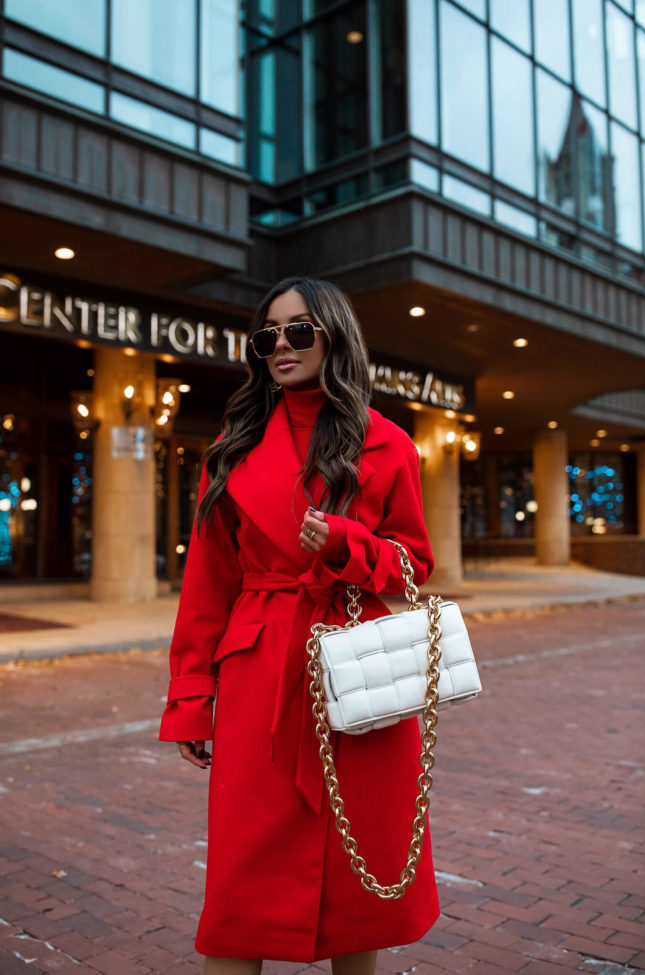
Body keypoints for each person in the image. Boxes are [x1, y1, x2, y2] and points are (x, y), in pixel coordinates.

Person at [159, 276, 440, 974]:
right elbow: (206, 587)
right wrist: (191, 697)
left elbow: (414, 563)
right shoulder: (232, 446)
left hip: (358, 671)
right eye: (268, 336)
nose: (281, 346)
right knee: (239, 885)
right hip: (260, 675)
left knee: (357, 878)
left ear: (334, 335)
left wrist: (348, 545)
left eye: (299, 330)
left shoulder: (389, 444)